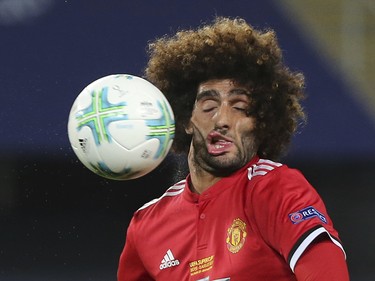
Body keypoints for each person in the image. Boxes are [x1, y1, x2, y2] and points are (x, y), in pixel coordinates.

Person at [117, 17, 349, 281]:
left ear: (262, 122)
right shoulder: (146, 226)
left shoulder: (276, 189)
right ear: (185, 121)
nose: (223, 120)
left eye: (240, 108)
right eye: (209, 107)